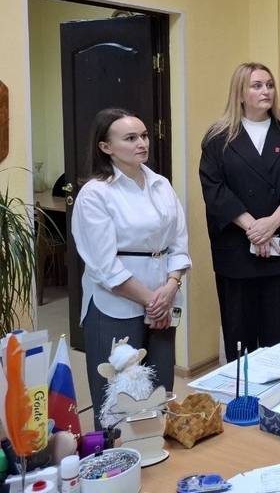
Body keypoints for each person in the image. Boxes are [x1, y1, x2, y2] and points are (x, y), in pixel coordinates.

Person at [72, 108, 191, 430]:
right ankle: (116, 452)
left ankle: (157, 446)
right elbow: (104, 266)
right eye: (130, 138)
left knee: (159, 385)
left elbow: (179, 243)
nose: (142, 143)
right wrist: (153, 301)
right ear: (105, 147)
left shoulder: (160, 184)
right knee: (117, 393)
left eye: (144, 136)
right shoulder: (96, 193)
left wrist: (171, 286)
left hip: (164, 297)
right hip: (116, 304)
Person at [199, 62, 280, 361]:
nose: (266, 91)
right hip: (237, 248)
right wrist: (254, 229)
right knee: (239, 335)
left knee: (277, 336)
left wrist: (272, 223)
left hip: (278, 244)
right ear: (240, 93)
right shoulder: (218, 137)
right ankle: (242, 391)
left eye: (270, 85)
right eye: (257, 86)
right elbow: (215, 190)